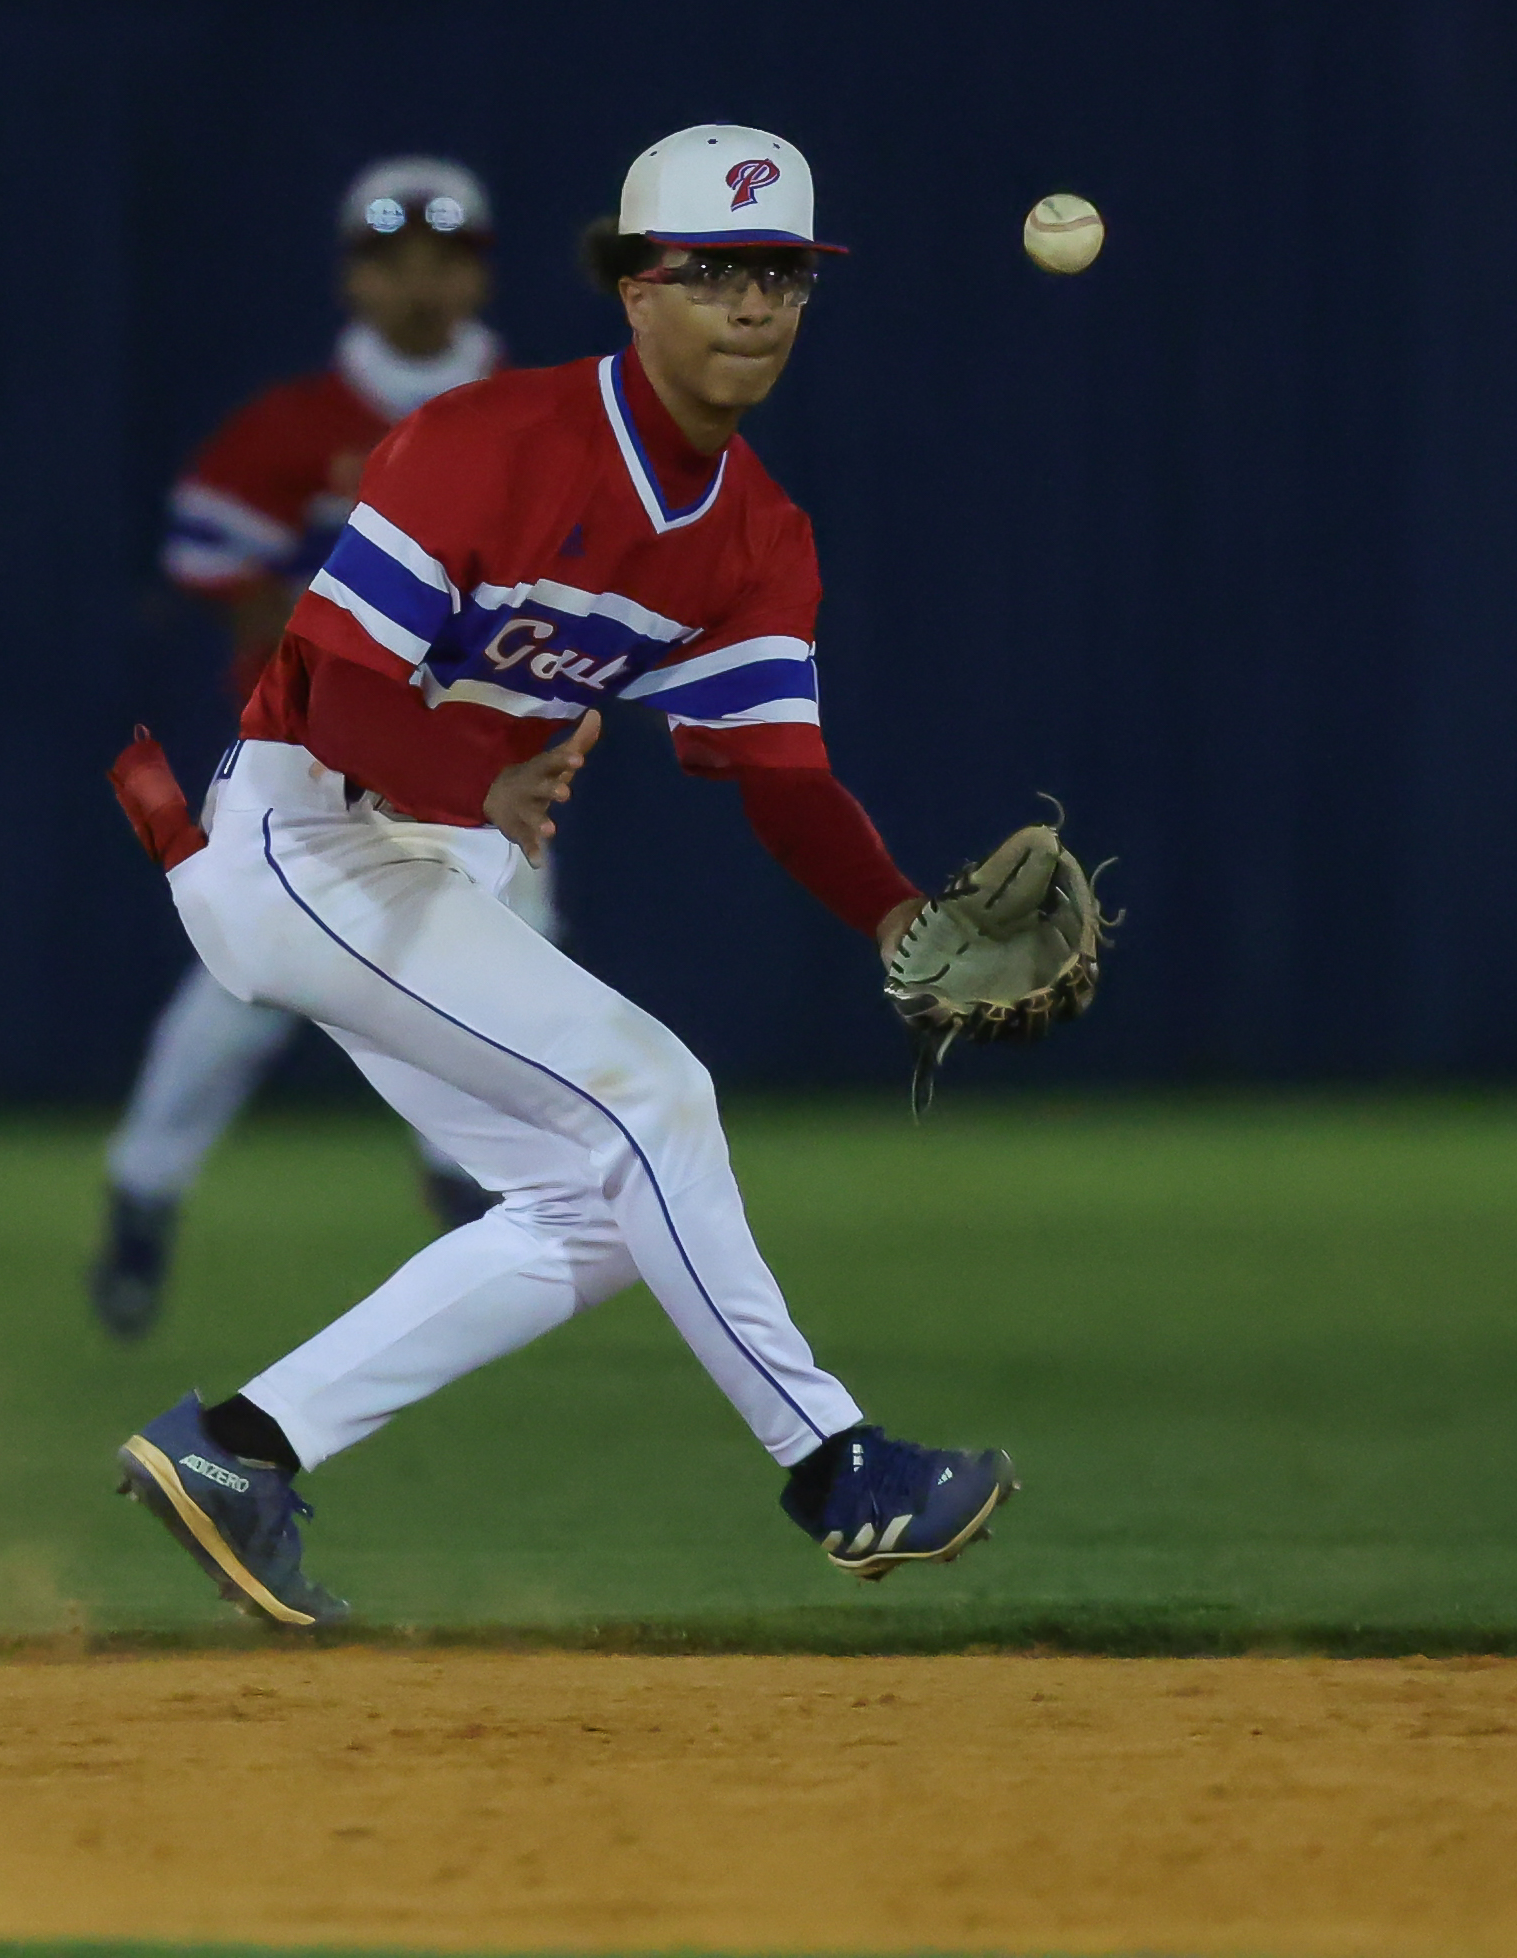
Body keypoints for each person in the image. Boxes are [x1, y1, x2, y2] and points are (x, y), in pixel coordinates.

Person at [106, 126, 1021, 1627]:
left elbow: (774, 778)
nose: (753, 305)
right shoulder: (489, 440)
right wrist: (483, 776)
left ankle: (238, 1451)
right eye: (713, 271)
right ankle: (836, 1466)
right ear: (634, 289)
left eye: (782, 274)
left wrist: (899, 915)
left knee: (590, 1213)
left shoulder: (755, 535)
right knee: (655, 1090)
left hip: (412, 865)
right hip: (302, 838)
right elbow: (330, 690)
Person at [91, 154, 555, 1342]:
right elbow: (210, 567)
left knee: (501, 991)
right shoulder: (293, 428)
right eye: (391, 261)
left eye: (440, 262)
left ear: (474, 273)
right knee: (238, 997)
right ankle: (142, 1197)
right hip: (310, 770)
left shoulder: (538, 413)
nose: (416, 285)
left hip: (472, 766)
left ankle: (473, 1206)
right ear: (354, 274)